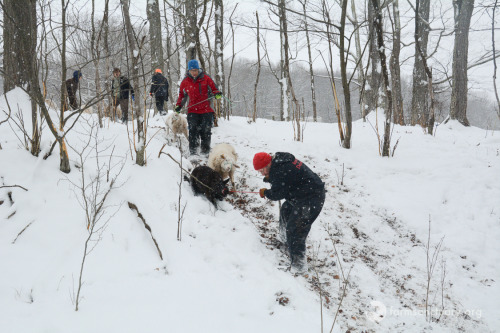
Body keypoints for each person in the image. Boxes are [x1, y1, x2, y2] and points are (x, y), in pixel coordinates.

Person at [254, 152, 325, 273]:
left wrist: (266, 192)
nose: (262, 174)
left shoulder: (280, 170)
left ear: (268, 164)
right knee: (286, 210)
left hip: (311, 199)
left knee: (296, 229)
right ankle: (285, 239)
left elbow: (277, 193)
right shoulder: (279, 163)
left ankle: (299, 266)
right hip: (300, 195)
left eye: (262, 170)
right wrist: (270, 178)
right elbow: (285, 182)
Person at [175, 59, 222, 156]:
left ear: (198, 69)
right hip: (193, 111)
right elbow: (182, 96)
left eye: (195, 70)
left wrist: (217, 94)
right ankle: (194, 151)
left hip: (206, 110)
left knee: (206, 131)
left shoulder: (206, 78)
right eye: (192, 70)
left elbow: (214, 88)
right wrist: (179, 105)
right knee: (193, 131)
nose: (194, 72)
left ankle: (205, 151)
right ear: (188, 71)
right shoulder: (185, 81)